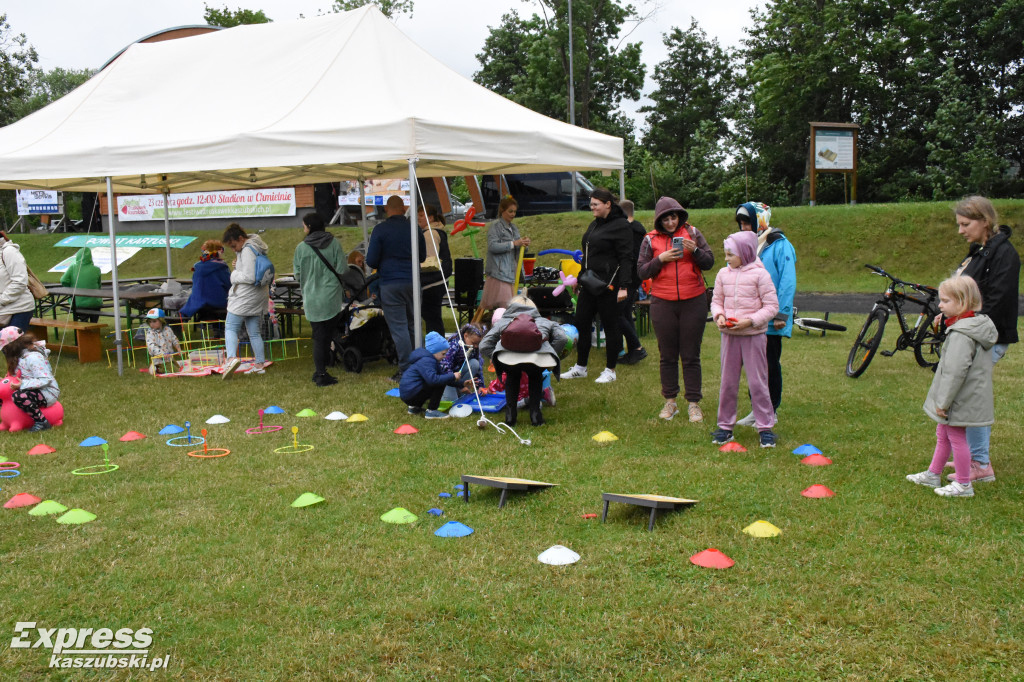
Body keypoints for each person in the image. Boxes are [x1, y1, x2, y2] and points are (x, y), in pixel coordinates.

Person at [942, 196, 1020, 484]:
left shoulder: (1005, 255)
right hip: (971, 335)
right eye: (959, 224)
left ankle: (980, 464)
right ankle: (975, 458)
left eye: (965, 224)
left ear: (985, 221)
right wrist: (948, 315)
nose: (961, 231)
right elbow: (965, 295)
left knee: (970, 400)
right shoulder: (981, 252)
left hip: (989, 337)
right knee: (966, 397)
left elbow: (996, 301)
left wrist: (965, 324)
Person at [907, 276, 997, 498]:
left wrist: (943, 402)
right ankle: (932, 474)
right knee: (943, 433)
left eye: (945, 301)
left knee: (956, 437)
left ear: (962, 302)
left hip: (959, 398)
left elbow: (955, 372)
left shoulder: (962, 335)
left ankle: (964, 485)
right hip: (962, 396)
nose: (940, 305)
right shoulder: (969, 326)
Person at [636, 196, 714, 421]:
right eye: (666, 219)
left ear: (679, 216)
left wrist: (696, 251)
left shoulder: (693, 233)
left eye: (674, 217)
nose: (671, 222)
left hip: (693, 300)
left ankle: (693, 403)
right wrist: (661, 259)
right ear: (659, 220)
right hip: (663, 301)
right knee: (667, 355)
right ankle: (670, 402)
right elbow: (641, 272)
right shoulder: (649, 239)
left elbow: (709, 262)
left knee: (691, 355)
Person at [709, 231, 779, 448]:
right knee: (728, 383)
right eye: (726, 254)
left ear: (745, 253)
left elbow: (771, 307)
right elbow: (716, 301)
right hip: (729, 337)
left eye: (731, 254)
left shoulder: (761, 275)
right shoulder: (723, 274)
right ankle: (725, 427)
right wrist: (719, 316)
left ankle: (765, 427)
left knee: (758, 382)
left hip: (753, 336)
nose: (727, 258)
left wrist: (750, 321)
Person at [734, 202, 796, 426]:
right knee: (752, 367)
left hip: (770, 320)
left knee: (769, 365)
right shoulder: (745, 246)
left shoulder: (780, 245)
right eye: (741, 223)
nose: (743, 227)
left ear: (760, 220)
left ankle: (771, 411)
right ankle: (756, 409)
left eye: (747, 222)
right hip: (749, 319)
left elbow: (788, 282)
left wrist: (782, 314)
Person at [562, 188, 633, 384]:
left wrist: (624, 286)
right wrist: (579, 277)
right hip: (588, 283)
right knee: (582, 322)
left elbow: (626, 258)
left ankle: (610, 370)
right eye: (591, 204)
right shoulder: (594, 224)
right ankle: (580, 367)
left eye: (595, 204)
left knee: (611, 326)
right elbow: (588, 256)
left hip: (609, 286)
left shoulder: (621, 226)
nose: (592, 207)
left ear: (608, 204)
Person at [480, 294, 567, 427]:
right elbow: (562, 338)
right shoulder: (544, 321)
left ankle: (510, 416)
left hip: (509, 358)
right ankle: (535, 416)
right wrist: (550, 353)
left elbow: (484, 345)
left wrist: (497, 356)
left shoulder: (503, 322)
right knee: (535, 378)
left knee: (512, 377)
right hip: (537, 358)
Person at [366, 195, 426, 377]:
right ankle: (422, 365)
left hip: (391, 283)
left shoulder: (380, 230)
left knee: (399, 328)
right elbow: (422, 257)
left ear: (386, 209)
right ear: (403, 208)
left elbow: (371, 260)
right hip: (413, 282)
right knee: (414, 325)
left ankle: (407, 369)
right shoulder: (414, 228)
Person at [293, 212, 346, 387]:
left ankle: (320, 372)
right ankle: (322, 372)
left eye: (304, 225)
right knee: (327, 335)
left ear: (309, 227)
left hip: (312, 296)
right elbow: (342, 269)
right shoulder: (334, 243)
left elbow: (297, 274)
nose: (303, 228)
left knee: (318, 336)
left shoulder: (301, 248)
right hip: (331, 296)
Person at [221, 223, 270, 378]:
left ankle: (231, 359)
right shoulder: (253, 247)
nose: (233, 249)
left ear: (241, 238)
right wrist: (238, 263)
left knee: (230, 327)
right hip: (258, 297)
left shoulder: (247, 250)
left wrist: (234, 274)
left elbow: (249, 277)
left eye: (234, 245)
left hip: (244, 297)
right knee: (254, 332)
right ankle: (259, 364)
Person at [0, 326, 59, 432]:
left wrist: (22, 385)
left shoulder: (33, 358)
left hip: (47, 392)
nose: (4, 352)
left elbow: (45, 379)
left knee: (19, 396)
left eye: (5, 349)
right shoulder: (18, 357)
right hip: (28, 388)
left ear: (13, 345)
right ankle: (7, 418)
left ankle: (42, 422)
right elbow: (17, 376)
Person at [478, 196, 529, 319]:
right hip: (498, 273)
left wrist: (524, 244)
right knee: (505, 308)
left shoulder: (513, 228)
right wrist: (513, 243)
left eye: (515, 212)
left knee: (509, 307)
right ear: (502, 211)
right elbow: (492, 246)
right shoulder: (495, 227)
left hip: (510, 272)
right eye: (510, 211)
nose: (513, 214)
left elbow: (518, 248)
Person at [399, 330, 462, 419]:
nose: (444, 357)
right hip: (411, 394)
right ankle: (432, 411)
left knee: (441, 379)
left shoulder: (429, 359)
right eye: (443, 354)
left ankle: (414, 408)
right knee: (438, 382)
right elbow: (434, 380)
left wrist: (462, 384)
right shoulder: (427, 361)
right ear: (434, 351)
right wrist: (453, 376)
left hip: (409, 393)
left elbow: (443, 376)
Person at [616, 199, 648, 366]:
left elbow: (629, 257)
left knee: (616, 313)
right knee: (626, 313)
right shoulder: (639, 228)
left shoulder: (629, 230)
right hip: (635, 277)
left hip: (628, 278)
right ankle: (633, 351)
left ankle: (637, 348)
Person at [180, 240, 231, 328]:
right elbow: (229, 285)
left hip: (199, 302)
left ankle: (212, 327)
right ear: (218, 251)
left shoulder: (197, 267)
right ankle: (219, 330)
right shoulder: (221, 267)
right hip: (219, 302)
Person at [419, 204, 453, 335]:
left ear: (431, 218)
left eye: (422, 216)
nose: (419, 219)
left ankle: (436, 349)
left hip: (432, 282)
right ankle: (437, 347)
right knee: (434, 317)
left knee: (432, 318)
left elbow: (430, 261)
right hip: (439, 280)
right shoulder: (438, 231)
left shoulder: (429, 234)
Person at [0, 231, 37, 331]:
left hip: (18, 309)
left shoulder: (9, 252)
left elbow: (20, 281)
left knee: (12, 346)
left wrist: (2, 300)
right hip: (2, 310)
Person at [440, 323, 484, 403]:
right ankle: (452, 390)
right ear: (466, 335)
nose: (476, 346)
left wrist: (480, 386)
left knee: (475, 363)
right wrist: (459, 384)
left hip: (459, 375)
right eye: (474, 343)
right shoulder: (454, 344)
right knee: (451, 401)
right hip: (446, 377)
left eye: (478, 344)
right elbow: (444, 367)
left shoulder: (474, 348)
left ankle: (460, 389)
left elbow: (478, 368)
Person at [60, 247, 102, 322]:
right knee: (96, 308)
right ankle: (94, 325)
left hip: (77, 302)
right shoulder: (97, 269)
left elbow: (63, 280)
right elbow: (99, 286)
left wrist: (70, 288)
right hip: (94, 303)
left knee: (80, 312)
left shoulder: (73, 268)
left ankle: (84, 325)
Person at [144, 308, 181, 375]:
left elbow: (174, 339)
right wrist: (162, 354)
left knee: (177, 370)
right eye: (150, 321)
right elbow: (151, 346)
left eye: (154, 321)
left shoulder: (168, 329)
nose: (151, 324)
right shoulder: (150, 333)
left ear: (161, 321)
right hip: (158, 359)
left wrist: (178, 348)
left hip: (169, 358)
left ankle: (167, 368)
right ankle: (155, 367)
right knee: (158, 371)